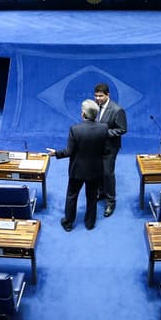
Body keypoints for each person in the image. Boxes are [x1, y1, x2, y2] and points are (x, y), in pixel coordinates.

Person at [47, 99, 108, 231]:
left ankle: (68, 223)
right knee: (92, 197)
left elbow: (69, 152)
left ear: (83, 115)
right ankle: (90, 223)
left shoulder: (75, 129)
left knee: (72, 196)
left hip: (77, 171)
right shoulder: (104, 128)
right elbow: (105, 151)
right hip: (95, 170)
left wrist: (56, 153)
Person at [94, 82, 127, 217]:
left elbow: (122, 129)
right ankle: (101, 192)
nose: (98, 98)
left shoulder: (117, 110)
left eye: (101, 96)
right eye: (96, 96)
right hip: (97, 145)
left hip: (110, 147)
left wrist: (105, 133)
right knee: (98, 171)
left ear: (108, 95)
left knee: (108, 173)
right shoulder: (96, 107)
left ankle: (111, 202)